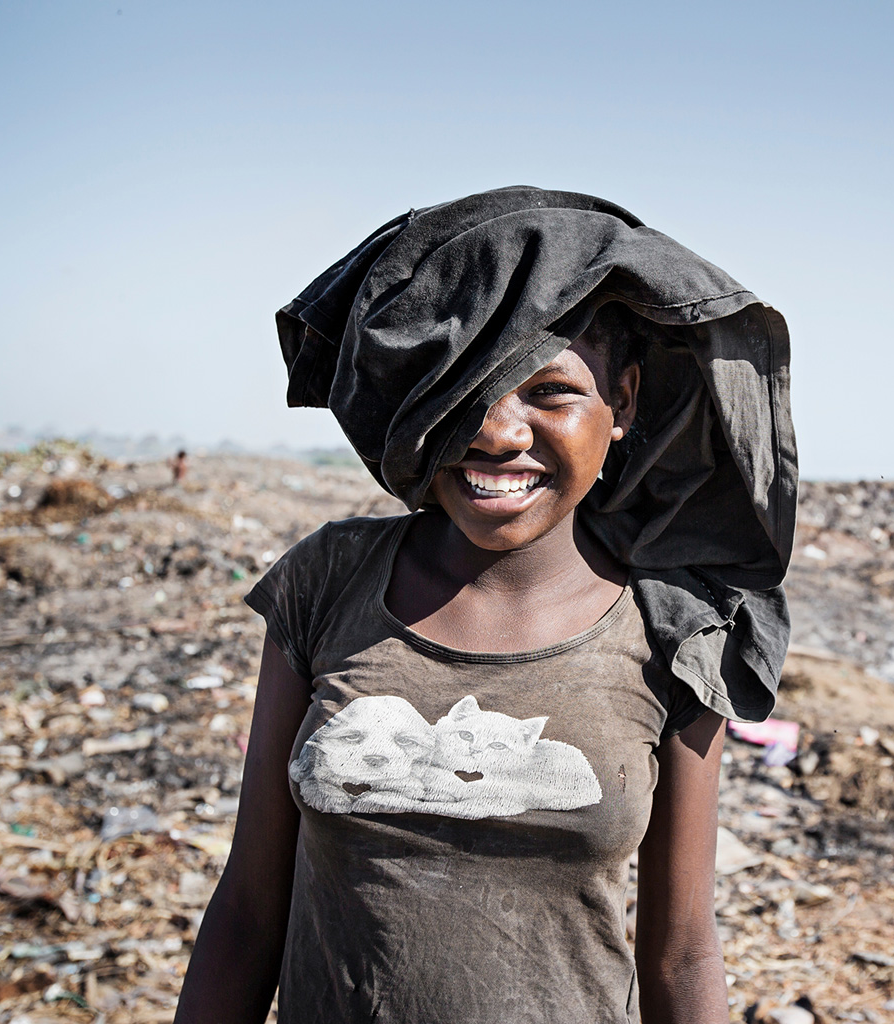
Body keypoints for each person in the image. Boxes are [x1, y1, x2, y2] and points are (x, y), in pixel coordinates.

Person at [174, 187, 796, 1024]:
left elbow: (682, 949)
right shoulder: (330, 581)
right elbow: (249, 910)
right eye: (464, 391)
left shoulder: (679, 632)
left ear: (627, 403)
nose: (498, 433)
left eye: (550, 393)